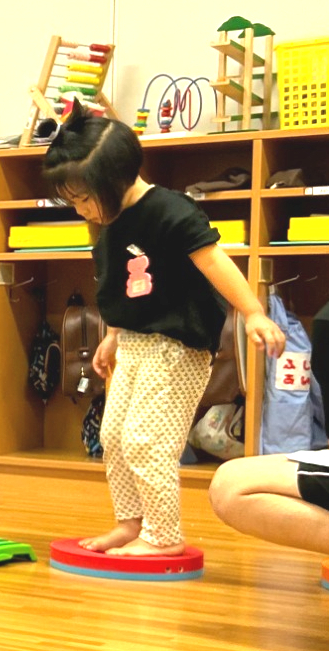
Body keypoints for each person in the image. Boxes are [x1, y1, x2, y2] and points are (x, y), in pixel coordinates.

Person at [42, 102, 283, 557]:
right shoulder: (108, 222)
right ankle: (130, 523)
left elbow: (215, 261)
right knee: (113, 436)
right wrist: (112, 335)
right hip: (133, 343)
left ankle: (164, 535)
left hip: (177, 345)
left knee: (147, 440)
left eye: (82, 198)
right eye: (71, 201)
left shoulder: (172, 211)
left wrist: (253, 312)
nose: (79, 210)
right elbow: (117, 283)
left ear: (113, 181)